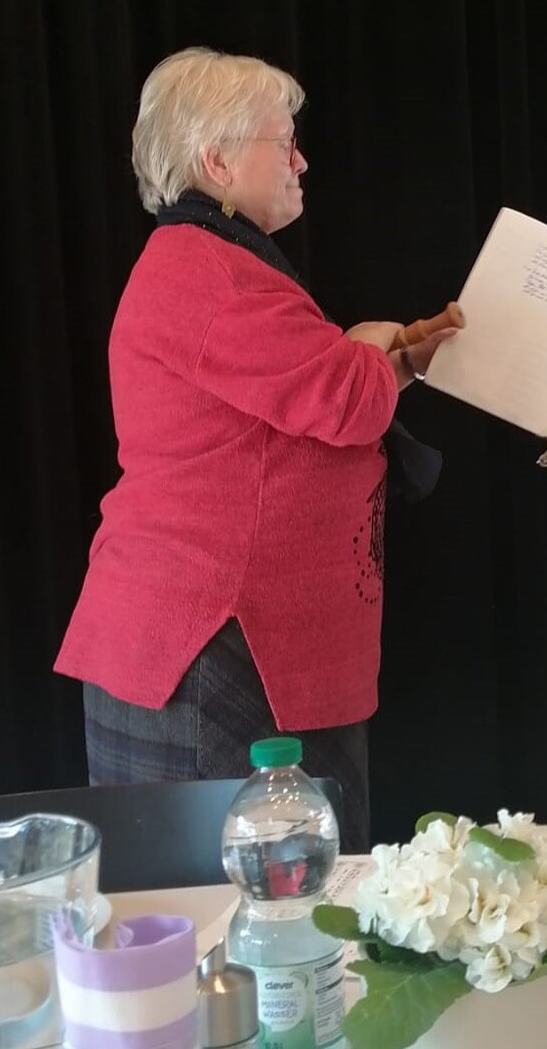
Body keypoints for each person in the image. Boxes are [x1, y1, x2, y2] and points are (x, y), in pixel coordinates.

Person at [54, 48, 458, 851]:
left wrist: (392, 357)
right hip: (210, 654)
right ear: (218, 161)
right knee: (243, 902)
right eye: (285, 143)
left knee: (276, 901)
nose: (301, 161)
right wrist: (371, 352)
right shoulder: (210, 274)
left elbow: (305, 397)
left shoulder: (214, 262)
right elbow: (345, 399)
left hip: (234, 646)